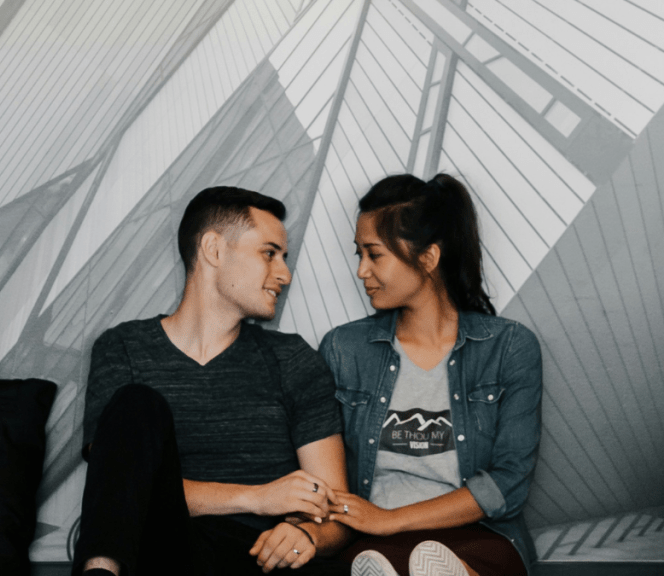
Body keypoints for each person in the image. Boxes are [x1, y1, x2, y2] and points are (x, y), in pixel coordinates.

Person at [75, 187, 353, 576]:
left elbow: (336, 512)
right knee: (137, 402)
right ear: (214, 249)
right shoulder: (124, 348)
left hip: (258, 560)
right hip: (164, 552)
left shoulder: (292, 358)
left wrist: (306, 535)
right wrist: (258, 498)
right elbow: (117, 493)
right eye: (269, 253)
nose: (285, 274)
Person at [318, 174, 542, 576]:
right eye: (358, 254)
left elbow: (509, 483)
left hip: (477, 534)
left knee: (429, 563)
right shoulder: (343, 349)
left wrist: (392, 519)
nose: (361, 271)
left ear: (428, 257)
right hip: (373, 541)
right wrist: (373, 523)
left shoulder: (508, 347)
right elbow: (323, 472)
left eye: (374, 254)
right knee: (377, 563)